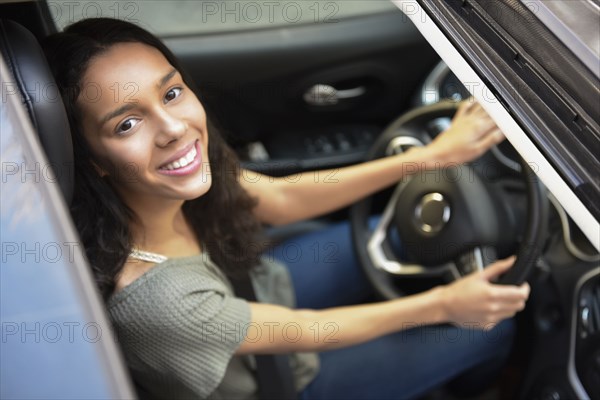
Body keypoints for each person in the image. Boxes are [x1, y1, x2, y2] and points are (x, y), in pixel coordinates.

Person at [43, 18, 530, 400]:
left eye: (171, 93)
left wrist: (431, 157)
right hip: (284, 383)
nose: (172, 128)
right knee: (493, 332)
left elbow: (283, 199)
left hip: (260, 289)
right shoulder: (155, 301)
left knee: (399, 234)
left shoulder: (186, 178)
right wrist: (447, 305)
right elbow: (309, 331)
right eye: (127, 124)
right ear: (92, 160)